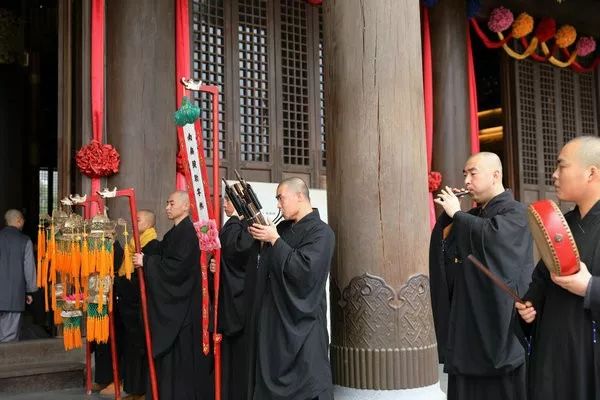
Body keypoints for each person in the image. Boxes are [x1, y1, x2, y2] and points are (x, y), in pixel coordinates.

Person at [430, 152, 533, 400]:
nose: (466, 181)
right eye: (464, 174)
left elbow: (495, 240)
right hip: (467, 327)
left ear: (495, 175)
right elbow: (444, 249)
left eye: (472, 173)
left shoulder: (516, 212)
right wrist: (448, 216)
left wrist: (458, 216)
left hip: (499, 329)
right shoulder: (473, 217)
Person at [515, 136, 600, 400]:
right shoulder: (562, 224)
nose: (554, 175)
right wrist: (528, 307)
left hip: (589, 359)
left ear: (591, 173)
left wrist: (591, 287)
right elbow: (540, 281)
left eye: (561, 166)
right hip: (552, 354)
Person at [247, 177, 334, 400]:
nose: (278, 204)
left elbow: (305, 272)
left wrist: (275, 241)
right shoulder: (283, 229)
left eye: (280, 198)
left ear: (299, 196)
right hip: (275, 323)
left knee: (309, 383)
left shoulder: (322, 233)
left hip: (303, 325)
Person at [133, 191, 212, 399]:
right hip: (178, 307)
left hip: (183, 310)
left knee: (182, 360)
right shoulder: (174, 232)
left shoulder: (189, 233)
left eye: (171, 203)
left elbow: (176, 269)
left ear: (185, 206)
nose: (167, 207)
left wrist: (147, 263)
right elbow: (164, 255)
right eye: (167, 203)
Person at [215, 195, 259, 400]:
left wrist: (219, 265)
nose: (224, 204)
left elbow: (234, 254)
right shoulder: (241, 227)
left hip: (235, 300)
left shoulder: (236, 226)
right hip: (242, 299)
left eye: (229, 201)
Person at [115, 210, 160, 400]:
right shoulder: (133, 244)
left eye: (138, 219)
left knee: (142, 347)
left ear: (148, 224)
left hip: (141, 307)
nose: (134, 221)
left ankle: (143, 390)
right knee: (131, 347)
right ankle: (133, 389)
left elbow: (149, 277)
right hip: (129, 307)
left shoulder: (153, 246)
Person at [0, 209, 37, 342]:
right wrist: (29, 291)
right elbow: (29, 269)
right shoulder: (25, 241)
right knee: (8, 338)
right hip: (14, 296)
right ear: (19, 220)